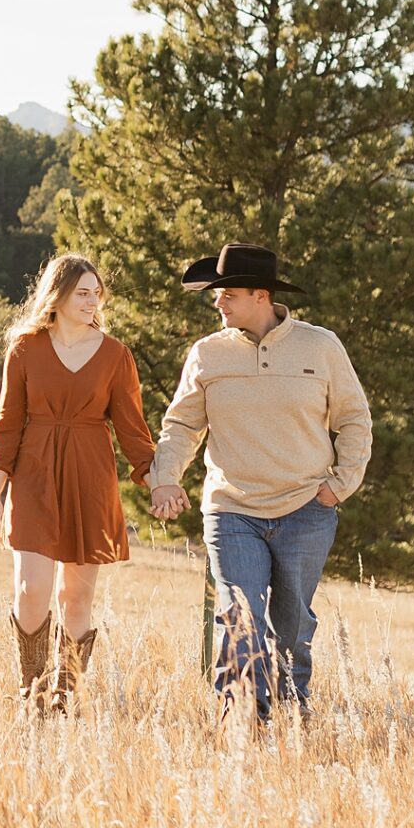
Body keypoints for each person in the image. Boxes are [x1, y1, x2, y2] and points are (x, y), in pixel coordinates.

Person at [147, 243, 372, 721]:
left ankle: (292, 715)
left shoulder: (320, 346)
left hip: (306, 509)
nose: (217, 302)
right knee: (238, 617)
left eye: (227, 294)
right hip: (232, 509)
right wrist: (165, 478)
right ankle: (243, 721)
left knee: (292, 626)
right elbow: (182, 426)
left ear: (261, 295)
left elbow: (354, 419)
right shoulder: (207, 353)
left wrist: (339, 485)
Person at [0, 253, 156, 713]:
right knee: (31, 589)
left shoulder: (116, 355)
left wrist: (156, 482)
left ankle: (66, 694)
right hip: (34, 475)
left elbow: (133, 431)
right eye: (82, 291)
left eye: (97, 292)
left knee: (76, 595)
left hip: (90, 477)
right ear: (56, 296)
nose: (92, 299)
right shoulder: (24, 349)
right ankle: (33, 692)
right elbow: (6, 425)